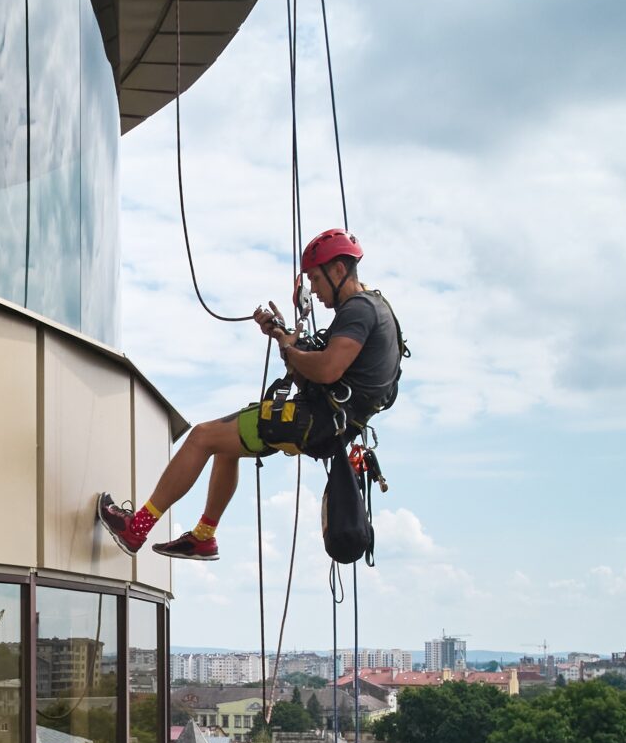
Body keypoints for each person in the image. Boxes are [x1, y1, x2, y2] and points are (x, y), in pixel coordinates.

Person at [99, 228, 402, 560]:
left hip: (316, 421)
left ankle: (137, 528)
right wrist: (283, 336)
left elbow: (328, 369)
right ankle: (203, 537)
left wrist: (289, 350)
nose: (313, 290)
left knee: (202, 437)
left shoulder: (358, 310)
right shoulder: (375, 307)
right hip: (327, 423)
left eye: (315, 278)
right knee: (225, 445)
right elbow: (323, 374)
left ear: (339, 271)